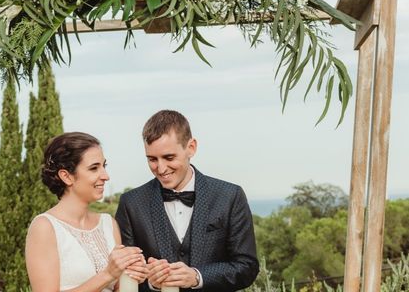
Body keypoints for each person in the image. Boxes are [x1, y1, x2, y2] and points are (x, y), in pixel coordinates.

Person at [115, 110, 259, 291]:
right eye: (152, 159)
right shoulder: (131, 203)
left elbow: (247, 267)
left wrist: (197, 277)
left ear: (191, 147)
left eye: (169, 157)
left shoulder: (230, 196)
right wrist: (152, 283)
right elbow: (125, 275)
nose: (160, 168)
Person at [26, 132, 148, 292]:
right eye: (94, 168)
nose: (105, 176)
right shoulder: (44, 227)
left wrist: (133, 274)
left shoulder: (108, 223)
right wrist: (108, 274)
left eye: (104, 166)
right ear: (66, 176)